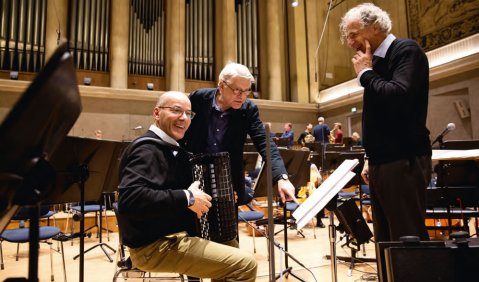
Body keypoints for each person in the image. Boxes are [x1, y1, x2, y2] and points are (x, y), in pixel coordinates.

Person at [117, 91, 257, 281]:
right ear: (157, 113)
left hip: (172, 235)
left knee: (229, 242)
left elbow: (173, 189)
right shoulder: (147, 150)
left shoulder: (171, 149)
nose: (183, 118)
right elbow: (130, 200)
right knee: (244, 266)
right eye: (176, 110)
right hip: (154, 245)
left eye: (188, 113)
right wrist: (187, 198)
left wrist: (217, 195)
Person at [340, 3, 432, 242]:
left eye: (353, 35)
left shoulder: (406, 51)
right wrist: (372, 159)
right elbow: (381, 117)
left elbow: (398, 95)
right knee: (385, 240)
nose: (350, 43)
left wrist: (365, 74)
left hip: (403, 161)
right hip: (382, 163)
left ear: (376, 26)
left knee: (407, 239)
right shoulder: (375, 62)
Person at [181, 62, 297, 207]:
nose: (242, 96)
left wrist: (282, 177)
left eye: (246, 91)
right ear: (221, 85)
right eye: (237, 90)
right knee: (193, 227)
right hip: (194, 176)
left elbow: (265, 142)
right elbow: (181, 134)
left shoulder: (248, 109)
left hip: (227, 182)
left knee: (226, 229)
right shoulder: (198, 98)